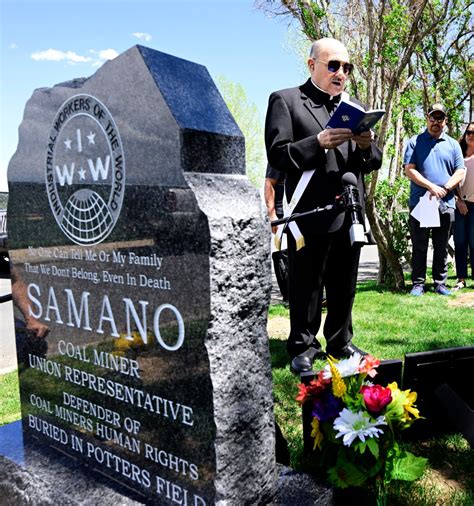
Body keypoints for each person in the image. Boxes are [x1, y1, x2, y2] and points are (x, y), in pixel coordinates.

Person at [265, 37, 382, 373]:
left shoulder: (353, 106)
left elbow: (372, 161)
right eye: (333, 65)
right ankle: (302, 346)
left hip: (349, 211)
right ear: (311, 64)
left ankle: (341, 340)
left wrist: (365, 144)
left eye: (346, 67)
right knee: (306, 284)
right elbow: (278, 154)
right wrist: (316, 143)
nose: (341, 73)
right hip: (309, 210)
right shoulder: (286, 101)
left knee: (345, 283)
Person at [404, 103, 466, 296]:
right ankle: (418, 284)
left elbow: (460, 170)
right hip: (422, 203)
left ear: (445, 121)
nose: (436, 122)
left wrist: (446, 188)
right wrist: (431, 186)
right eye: (433, 118)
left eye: (440, 118)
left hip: (446, 204)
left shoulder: (453, 144)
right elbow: (409, 169)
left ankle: (440, 283)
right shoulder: (415, 141)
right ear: (427, 118)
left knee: (441, 246)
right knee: (420, 245)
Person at [453, 123, 474, 291]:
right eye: (468, 131)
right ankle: (461, 278)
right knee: (460, 242)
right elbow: (450, 180)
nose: (471, 135)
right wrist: (458, 200)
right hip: (460, 204)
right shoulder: (457, 155)